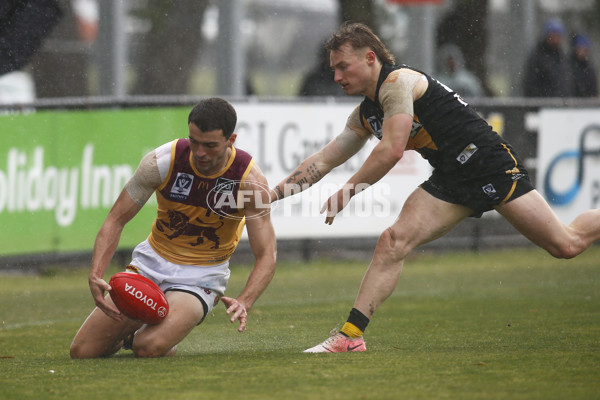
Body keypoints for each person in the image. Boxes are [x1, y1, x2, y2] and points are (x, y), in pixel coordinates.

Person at [269, 22, 600, 353]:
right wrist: (270, 197)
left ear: (370, 58)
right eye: (334, 69)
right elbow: (325, 159)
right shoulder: (367, 112)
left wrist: (349, 190)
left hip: (488, 164)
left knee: (567, 245)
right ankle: (350, 337)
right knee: (393, 241)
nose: (338, 77)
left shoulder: (397, 83)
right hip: (451, 177)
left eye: (343, 66)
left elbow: (392, 149)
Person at [70, 98, 277, 358]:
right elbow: (115, 219)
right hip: (150, 264)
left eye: (210, 145)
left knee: (148, 348)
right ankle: (139, 327)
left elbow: (267, 254)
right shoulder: (161, 161)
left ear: (231, 140)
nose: (200, 153)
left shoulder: (250, 182)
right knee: (82, 352)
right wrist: (95, 274)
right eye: (194, 141)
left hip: (201, 276)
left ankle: (150, 334)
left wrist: (245, 300)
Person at [523, 18, 572, 97]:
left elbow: (566, 83)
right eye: (553, 36)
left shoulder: (562, 57)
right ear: (546, 36)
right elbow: (530, 85)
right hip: (544, 106)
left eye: (558, 36)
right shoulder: (537, 57)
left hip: (561, 106)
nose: (556, 40)